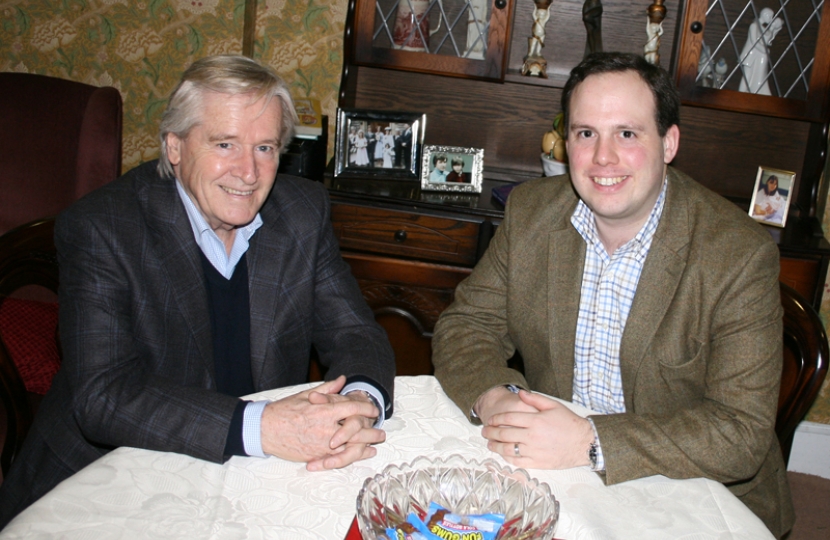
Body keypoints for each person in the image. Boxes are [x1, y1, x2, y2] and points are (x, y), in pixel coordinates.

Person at [0, 55, 396, 527]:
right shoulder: (103, 227)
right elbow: (104, 396)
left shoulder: (302, 212)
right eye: (225, 143)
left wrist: (359, 404)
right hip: (109, 481)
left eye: (266, 148)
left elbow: (356, 332)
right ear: (175, 146)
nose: (248, 172)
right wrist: (262, 426)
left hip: (250, 478)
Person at [432, 52, 793, 539]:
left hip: (695, 491)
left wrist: (590, 441)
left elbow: (739, 432)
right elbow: (466, 326)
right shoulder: (531, 213)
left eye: (627, 133)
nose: (603, 158)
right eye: (586, 134)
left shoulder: (737, 254)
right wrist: (498, 398)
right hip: (558, 475)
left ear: (668, 143)